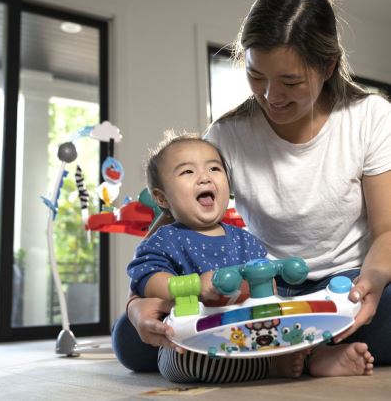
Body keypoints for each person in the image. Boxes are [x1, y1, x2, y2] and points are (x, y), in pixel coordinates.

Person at [112, 0, 391, 376]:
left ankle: (285, 353)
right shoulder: (227, 135)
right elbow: (168, 230)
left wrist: (373, 283)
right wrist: (135, 303)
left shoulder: (371, 117)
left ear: (327, 66)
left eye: (290, 82)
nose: (271, 95)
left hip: (344, 281)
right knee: (130, 341)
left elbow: (387, 231)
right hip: (254, 288)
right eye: (256, 75)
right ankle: (308, 353)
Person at [126, 133, 311, 383]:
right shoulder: (164, 239)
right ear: (162, 198)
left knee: (300, 329)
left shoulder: (245, 239)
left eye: (214, 168)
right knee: (183, 363)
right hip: (195, 336)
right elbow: (147, 278)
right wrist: (192, 285)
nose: (205, 177)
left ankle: (313, 356)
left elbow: (267, 286)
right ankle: (270, 367)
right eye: (187, 172)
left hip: (247, 330)